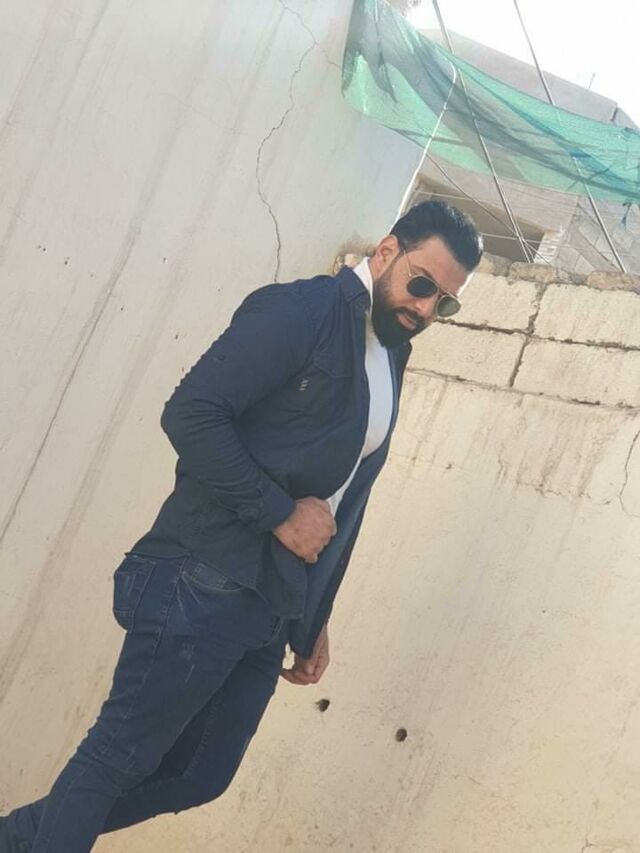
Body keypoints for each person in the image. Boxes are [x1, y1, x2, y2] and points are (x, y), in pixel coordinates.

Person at [1, 200, 482, 852]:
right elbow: (191, 414)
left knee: (202, 774)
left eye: (443, 303)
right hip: (203, 573)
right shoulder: (302, 311)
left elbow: (344, 498)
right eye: (421, 284)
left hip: (271, 601)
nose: (424, 308)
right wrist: (279, 513)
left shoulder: (390, 353)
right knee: (117, 754)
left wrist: (312, 615)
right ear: (387, 251)